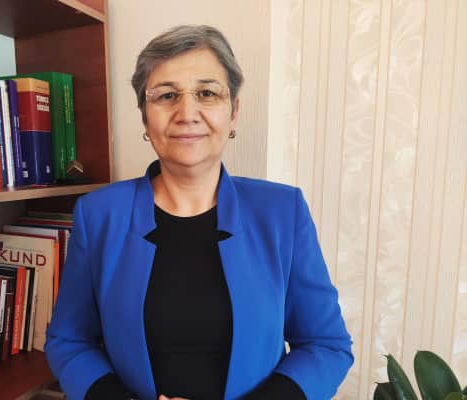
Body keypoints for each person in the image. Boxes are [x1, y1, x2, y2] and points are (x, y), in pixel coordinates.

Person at [45, 25, 353, 400]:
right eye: (166, 95)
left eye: (207, 93)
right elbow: (69, 341)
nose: (187, 113)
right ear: (144, 117)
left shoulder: (282, 212)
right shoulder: (99, 215)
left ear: (234, 111)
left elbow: (326, 345)